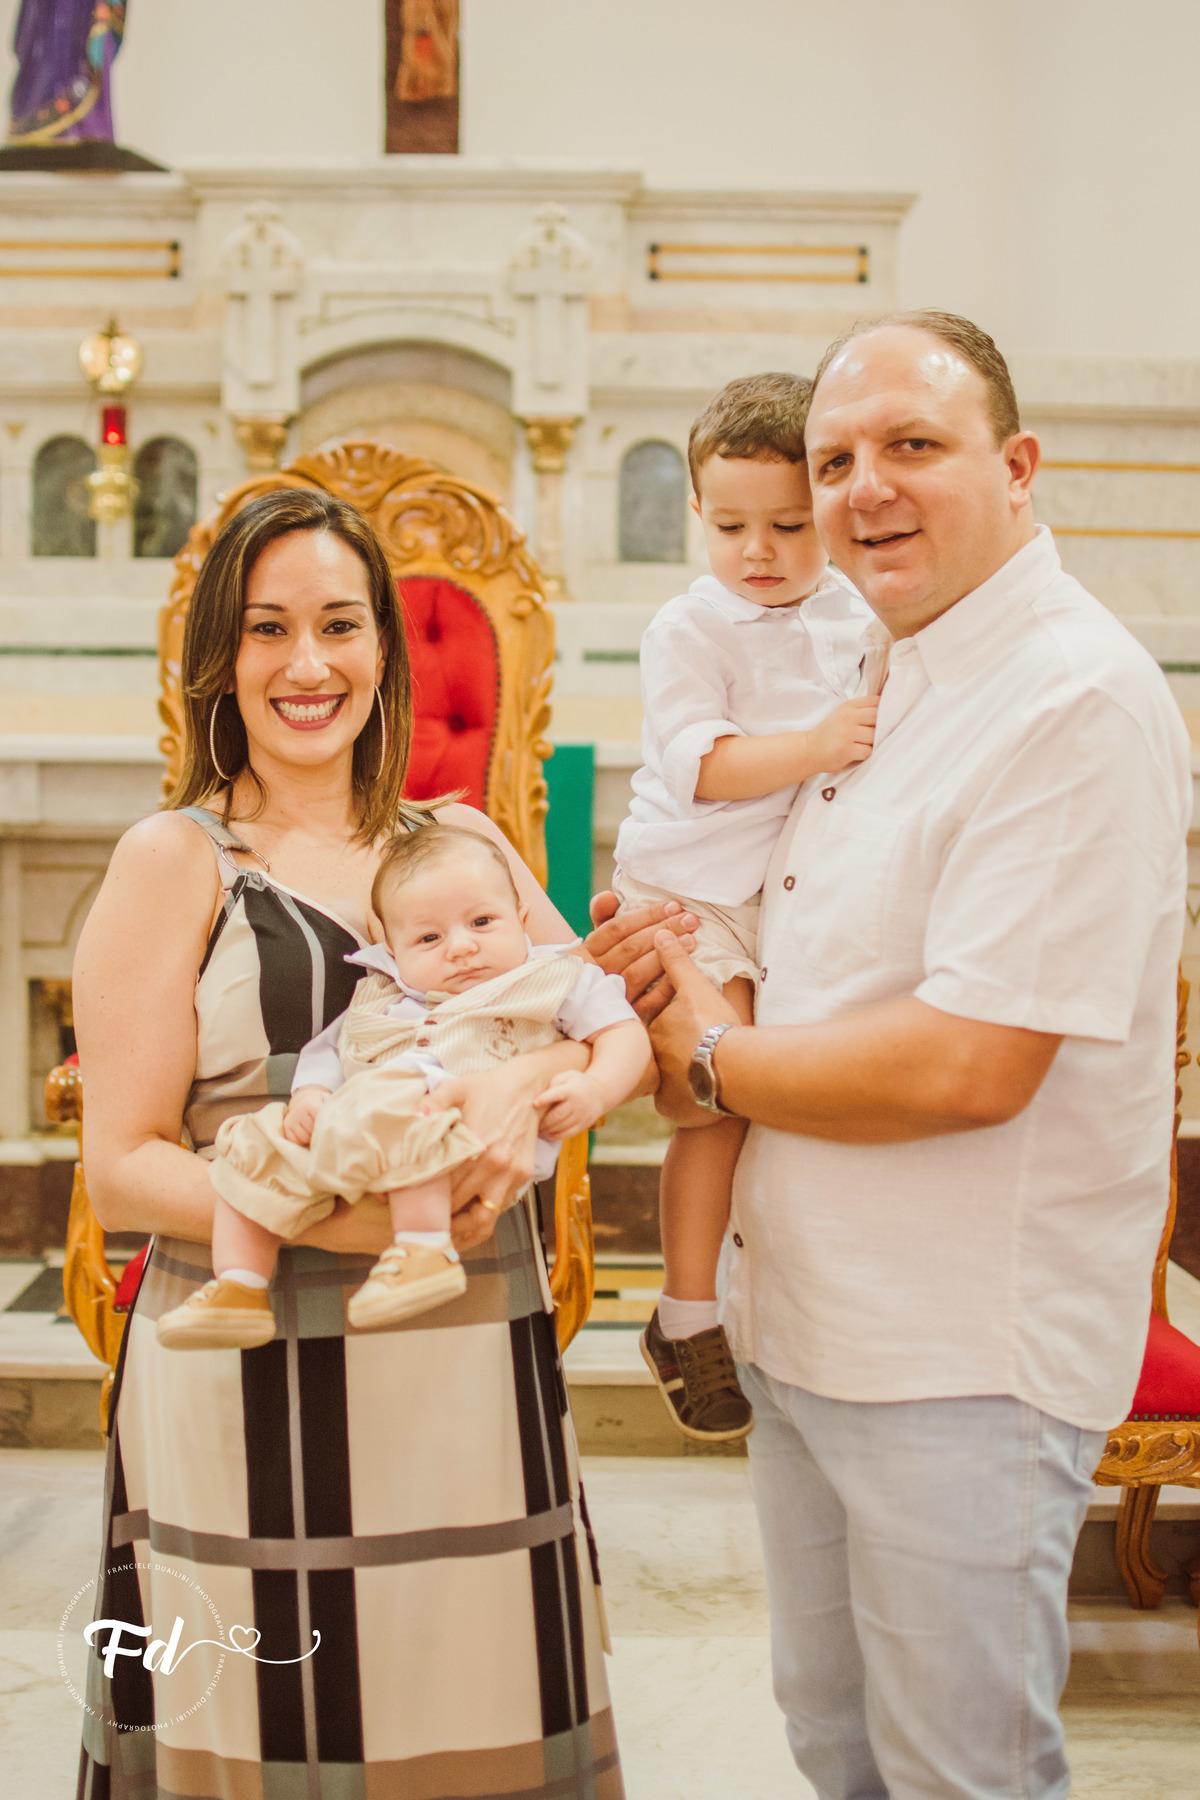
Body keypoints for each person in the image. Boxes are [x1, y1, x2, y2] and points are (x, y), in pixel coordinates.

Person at [589, 311, 1191, 1799]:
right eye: (835, 458)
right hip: (803, 1321)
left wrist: (710, 1053)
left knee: (955, 1773)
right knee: (835, 1739)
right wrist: (669, 966)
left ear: (1018, 465)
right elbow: (806, 958)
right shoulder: (881, 658)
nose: (866, 488)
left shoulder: (1069, 696)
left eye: (913, 445)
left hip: (955, 1351)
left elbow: (969, 1063)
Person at [72, 488, 636, 1799]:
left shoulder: (465, 845)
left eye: (339, 624)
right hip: (251, 1360)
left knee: (475, 1710)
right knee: (275, 1737)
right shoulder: (174, 860)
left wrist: (528, 1084)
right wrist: (356, 1221)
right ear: (220, 658)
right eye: (268, 629)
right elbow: (122, 1166)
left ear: (384, 642)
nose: (308, 664)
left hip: (463, 1351)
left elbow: (583, 1021)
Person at [613, 372, 875, 1441]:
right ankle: (684, 1314)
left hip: (793, 891)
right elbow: (707, 769)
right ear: (697, 512)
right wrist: (814, 746)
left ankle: (778, 1298)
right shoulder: (689, 628)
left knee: (796, 1097)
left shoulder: (856, 611)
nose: (757, 550)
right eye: (730, 527)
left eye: (788, 525)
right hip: (691, 892)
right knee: (722, 1094)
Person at [158, 822, 647, 1345]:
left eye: (482, 922)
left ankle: (424, 1249)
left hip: (463, 1137)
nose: (462, 947)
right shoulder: (382, 995)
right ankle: (240, 1285)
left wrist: (597, 1088)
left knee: (408, 1104)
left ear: (522, 919)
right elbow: (329, 1051)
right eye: (429, 938)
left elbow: (624, 1034)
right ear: (392, 951)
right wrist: (310, 1096)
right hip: (355, 1142)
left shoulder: (555, 977)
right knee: (255, 1141)